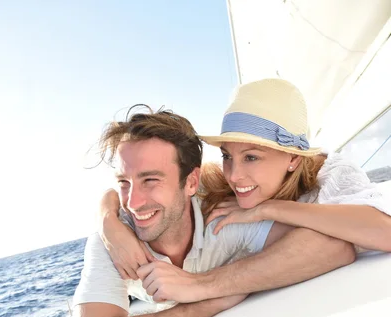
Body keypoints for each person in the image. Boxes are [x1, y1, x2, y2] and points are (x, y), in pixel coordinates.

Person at [73, 103, 353, 317]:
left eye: (150, 180)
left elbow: (334, 244)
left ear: (191, 182)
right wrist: (210, 302)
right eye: (125, 182)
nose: (133, 203)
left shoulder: (221, 211)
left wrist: (203, 285)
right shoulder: (113, 239)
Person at [99, 79, 390, 305]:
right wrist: (109, 225)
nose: (235, 175)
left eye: (251, 157)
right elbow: (126, 188)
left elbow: (384, 232)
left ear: (293, 159)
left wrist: (268, 209)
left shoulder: (332, 174)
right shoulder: (218, 183)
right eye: (227, 156)